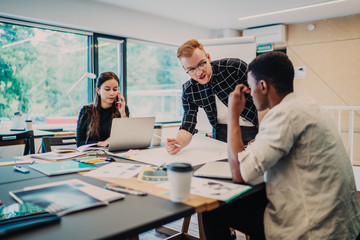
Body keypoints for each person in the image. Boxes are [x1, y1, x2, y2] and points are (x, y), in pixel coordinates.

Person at [202, 52, 360, 239]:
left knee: (211, 210)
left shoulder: (283, 114)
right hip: (344, 222)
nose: (250, 94)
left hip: (315, 229)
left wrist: (233, 114)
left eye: (251, 88)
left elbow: (239, 174)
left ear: (262, 86)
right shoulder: (309, 105)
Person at [166, 39, 262, 154]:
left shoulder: (235, 68)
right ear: (184, 69)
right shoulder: (189, 90)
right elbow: (188, 125)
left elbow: (263, 102)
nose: (199, 72)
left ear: (208, 57)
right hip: (221, 135)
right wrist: (179, 143)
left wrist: (263, 135)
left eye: (202, 64)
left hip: (254, 131)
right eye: (191, 69)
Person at [76, 72, 130, 147]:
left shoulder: (122, 109)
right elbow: (79, 143)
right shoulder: (86, 111)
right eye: (107, 89)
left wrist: (123, 114)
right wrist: (100, 143)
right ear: (98, 90)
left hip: (116, 153)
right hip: (93, 155)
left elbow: (127, 139)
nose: (112, 93)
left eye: (115, 89)